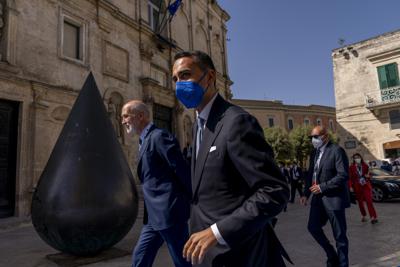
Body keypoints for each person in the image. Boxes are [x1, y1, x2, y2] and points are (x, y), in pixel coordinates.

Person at [172, 50, 290, 267]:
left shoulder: (237, 122)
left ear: (209, 77)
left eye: (186, 75)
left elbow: (274, 190)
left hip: (239, 252)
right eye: (176, 79)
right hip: (209, 254)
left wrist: (217, 232)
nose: (179, 83)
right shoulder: (198, 127)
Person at [121, 100, 192, 267]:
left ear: (140, 116)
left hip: (169, 213)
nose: (123, 121)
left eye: (125, 116)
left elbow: (181, 169)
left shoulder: (159, 136)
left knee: (182, 261)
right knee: (140, 256)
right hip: (153, 216)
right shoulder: (144, 140)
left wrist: (193, 199)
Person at [300, 126, 350, 267]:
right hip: (318, 200)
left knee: (340, 236)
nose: (313, 140)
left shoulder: (336, 151)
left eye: (316, 137)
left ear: (325, 137)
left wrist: (322, 187)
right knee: (313, 227)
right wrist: (306, 193)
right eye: (311, 137)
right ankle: (331, 254)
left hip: (334, 199)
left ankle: (343, 264)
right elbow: (311, 174)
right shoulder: (314, 153)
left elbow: (343, 175)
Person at [349, 153, 378, 224]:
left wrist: (369, 176)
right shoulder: (351, 167)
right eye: (355, 158)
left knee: (369, 201)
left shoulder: (365, 165)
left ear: (361, 158)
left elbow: (369, 175)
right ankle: (364, 215)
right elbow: (350, 178)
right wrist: (350, 186)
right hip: (357, 187)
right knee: (360, 203)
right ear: (354, 159)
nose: (357, 159)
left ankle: (373, 217)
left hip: (366, 185)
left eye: (358, 157)